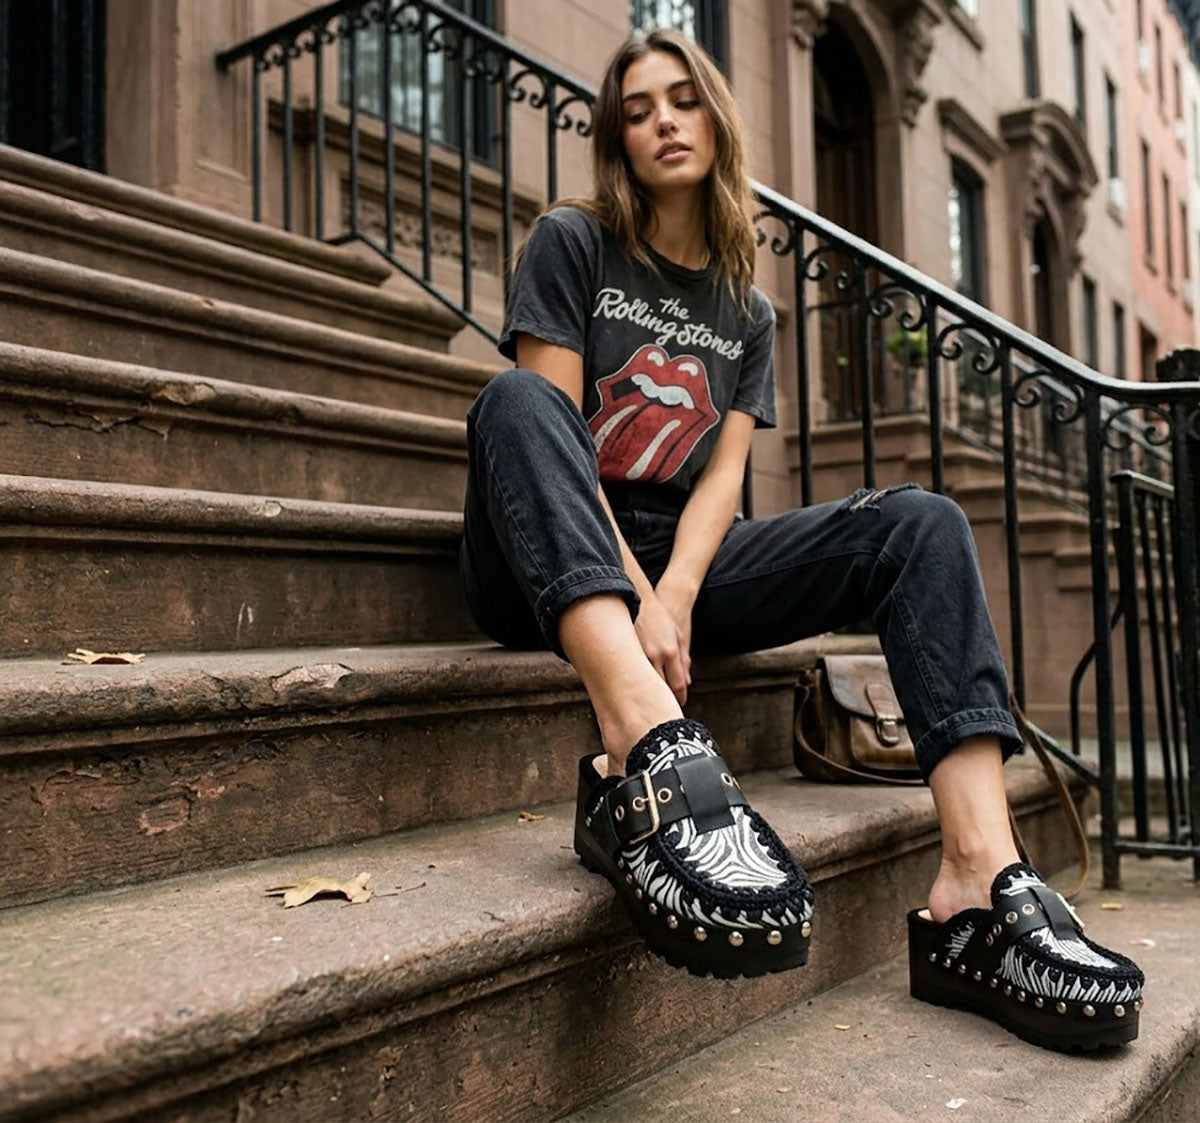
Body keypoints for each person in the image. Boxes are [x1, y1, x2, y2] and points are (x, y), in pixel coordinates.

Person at [459, 27, 1143, 1051]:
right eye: (638, 109)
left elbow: (722, 478)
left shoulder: (747, 306)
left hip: (678, 556)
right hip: (546, 543)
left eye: (681, 99)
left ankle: (978, 878)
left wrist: (676, 594)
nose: (662, 122)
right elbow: (553, 430)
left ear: (715, 119)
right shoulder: (572, 241)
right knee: (511, 398)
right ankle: (642, 754)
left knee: (921, 523)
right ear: (619, 139)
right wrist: (633, 598)